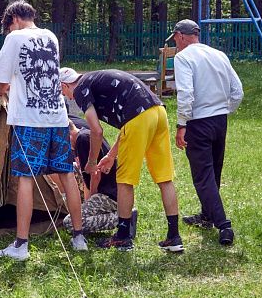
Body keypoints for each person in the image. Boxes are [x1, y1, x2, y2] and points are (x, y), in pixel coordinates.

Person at [0, 0, 85, 261]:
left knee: (25, 179)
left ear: (14, 20)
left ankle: (21, 245)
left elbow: (0, 82)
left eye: (8, 28)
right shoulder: (51, 36)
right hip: (56, 117)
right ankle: (79, 237)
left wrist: (1, 89)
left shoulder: (15, 38)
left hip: (29, 119)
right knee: (67, 174)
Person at [61, 68, 182, 252]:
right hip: (158, 111)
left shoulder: (81, 89)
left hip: (138, 117)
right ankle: (174, 237)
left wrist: (92, 162)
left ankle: (123, 237)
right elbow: (128, 124)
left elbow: (97, 131)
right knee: (165, 178)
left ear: (65, 85)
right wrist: (110, 155)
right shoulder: (96, 78)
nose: (69, 98)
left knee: (125, 180)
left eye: (64, 93)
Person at [170, 19, 243, 245]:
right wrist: (223, 110)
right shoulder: (219, 54)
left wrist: (182, 124)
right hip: (220, 120)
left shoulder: (183, 58)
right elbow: (237, 91)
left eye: (174, 38)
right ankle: (207, 215)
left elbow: (185, 93)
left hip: (198, 123)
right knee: (214, 171)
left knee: (203, 177)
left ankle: (224, 225)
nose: (175, 42)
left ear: (181, 36)